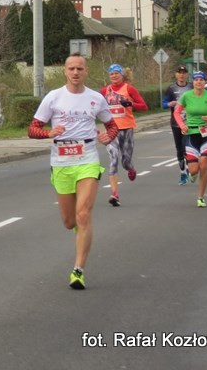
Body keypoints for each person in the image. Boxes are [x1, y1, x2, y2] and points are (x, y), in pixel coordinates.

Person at [29, 54, 117, 290]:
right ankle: (81, 231)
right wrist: (47, 133)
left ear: (86, 71)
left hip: (87, 159)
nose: (75, 72)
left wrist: (110, 135)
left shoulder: (96, 98)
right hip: (61, 163)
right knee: (70, 222)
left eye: (80, 68)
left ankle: (78, 270)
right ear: (65, 72)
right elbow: (33, 128)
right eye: (71, 68)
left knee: (84, 214)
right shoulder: (54, 97)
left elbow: (112, 125)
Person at [173, 71, 207, 207]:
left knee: (204, 164)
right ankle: (192, 174)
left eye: (201, 80)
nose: (199, 82)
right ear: (193, 82)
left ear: (205, 82)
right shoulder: (186, 96)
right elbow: (177, 112)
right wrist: (182, 125)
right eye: (196, 80)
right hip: (191, 133)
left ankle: (201, 197)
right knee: (194, 169)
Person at [99, 63, 148, 207]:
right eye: (111, 74)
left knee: (125, 161)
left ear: (122, 75)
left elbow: (144, 106)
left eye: (116, 73)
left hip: (126, 129)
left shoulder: (129, 89)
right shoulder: (104, 91)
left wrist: (130, 104)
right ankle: (114, 194)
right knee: (113, 158)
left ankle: (130, 168)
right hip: (111, 131)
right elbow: (94, 106)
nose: (114, 76)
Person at [163, 66, 193, 185]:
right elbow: (163, 103)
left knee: (188, 148)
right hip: (176, 123)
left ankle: (190, 168)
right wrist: (168, 104)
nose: (181, 75)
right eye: (179, 73)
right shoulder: (171, 88)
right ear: (176, 75)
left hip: (190, 122)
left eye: (184, 73)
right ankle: (183, 172)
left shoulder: (192, 87)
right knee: (179, 149)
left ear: (187, 75)